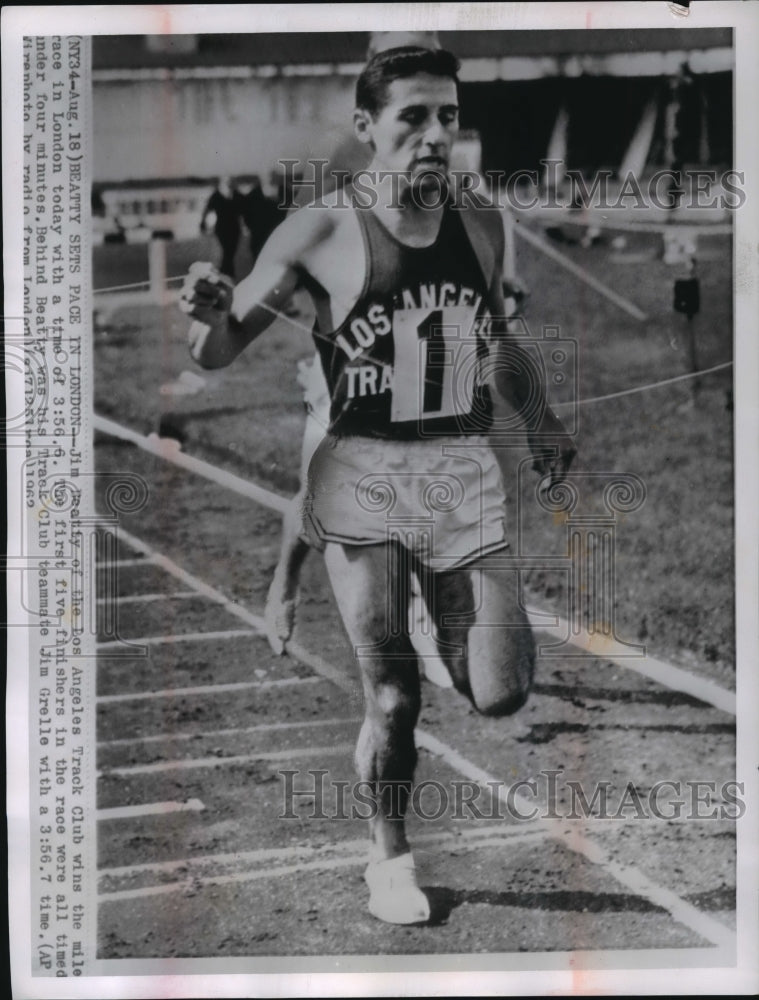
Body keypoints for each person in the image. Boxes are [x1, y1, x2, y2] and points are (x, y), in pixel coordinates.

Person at [181, 46, 576, 925]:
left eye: (448, 117)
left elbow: (495, 340)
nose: (436, 135)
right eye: (414, 117)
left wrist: (539, 418)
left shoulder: (479, 221)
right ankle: (389, 859)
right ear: (367, 128)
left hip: (460, 471)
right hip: (361, 474)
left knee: (501, 690)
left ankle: (445, 625)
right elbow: (215, 350)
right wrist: (209, 318)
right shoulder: (316, 230)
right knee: (393, 699)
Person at [200, 176, 241, 278]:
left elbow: (246, 210)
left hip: (234, 229)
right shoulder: (216, 196)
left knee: (230, 252)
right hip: (222, 229)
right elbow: (207, 210)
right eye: (227, 182)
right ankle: (227, 274)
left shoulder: (237, 196)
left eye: (231, 182)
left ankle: (227, 274)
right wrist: (203, 224)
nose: (229, 184)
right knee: (226, 252)